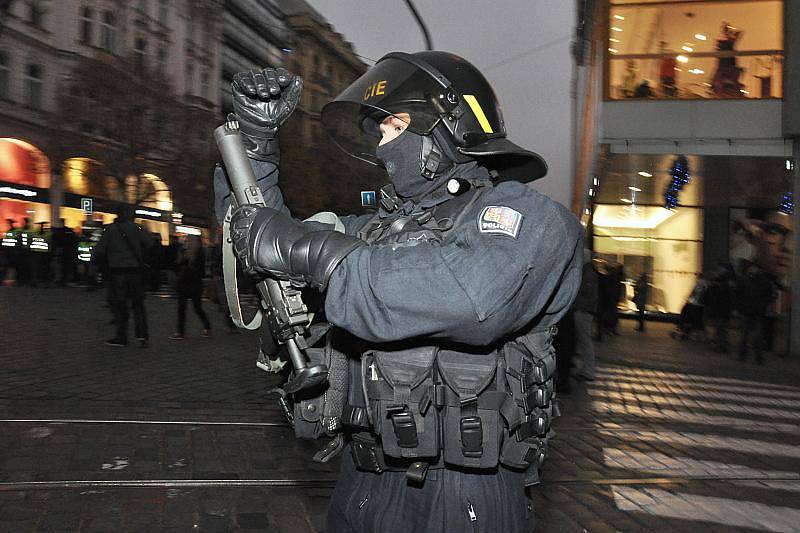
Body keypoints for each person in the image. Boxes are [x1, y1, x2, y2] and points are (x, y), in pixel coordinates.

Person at [214, 53, 582, 532]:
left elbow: (468, 300)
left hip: (467, 495)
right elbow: (259, 245)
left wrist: (309, 250)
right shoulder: (374, 232)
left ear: (448, 128)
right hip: (365, 481)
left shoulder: (530, 220)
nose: (383, 141)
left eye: (394, 123)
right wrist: (254, 149)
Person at [91, 205, 151, 348]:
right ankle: (142, 336)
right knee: (138, 304)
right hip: (135, 271)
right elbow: (150, 243)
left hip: (117, 271)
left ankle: (121, 336)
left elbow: (100, 249)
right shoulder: (137, 228)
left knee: (120, 304)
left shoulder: (110, 230)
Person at [170, 234, 211, 339]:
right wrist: (182, 259)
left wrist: (188, 261)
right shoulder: (183, 251)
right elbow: (176, 265)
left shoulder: (199, 253)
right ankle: (180, 331)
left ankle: (207, 326)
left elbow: (199, 270)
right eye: (186, 240)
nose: (187, 243)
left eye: (189, 240)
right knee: (182, 307)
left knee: (196, 307)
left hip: (194, 283)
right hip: (184, 282)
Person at [736, 263, 773, 364]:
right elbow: (738, 294)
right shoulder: (744, 280)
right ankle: (743, 355)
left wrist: (762, 305)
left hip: (757, 312)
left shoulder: (763, 282)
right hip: (748, 311)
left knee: (757, 337)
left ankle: (757, 357)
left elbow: (769, 296)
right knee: (745, 335)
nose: (754, 270)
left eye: (755, 268)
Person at [572, 250, 598, 381]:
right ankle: (586, 369)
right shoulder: (589, 271)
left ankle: (588, 371)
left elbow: (586, 293)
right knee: (584, 341)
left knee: (585, 341)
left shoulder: (587, 273)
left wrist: (579, 308)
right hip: (585, 310)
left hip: (583, 311)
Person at [711, 22, 744, 97]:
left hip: (728, 65)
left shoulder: (728, 40)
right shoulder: (722, 41)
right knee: (720, 81)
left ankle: (735, 94)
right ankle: (721, 95)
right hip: (724, 64)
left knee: (730, 80)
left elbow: (739, 34)